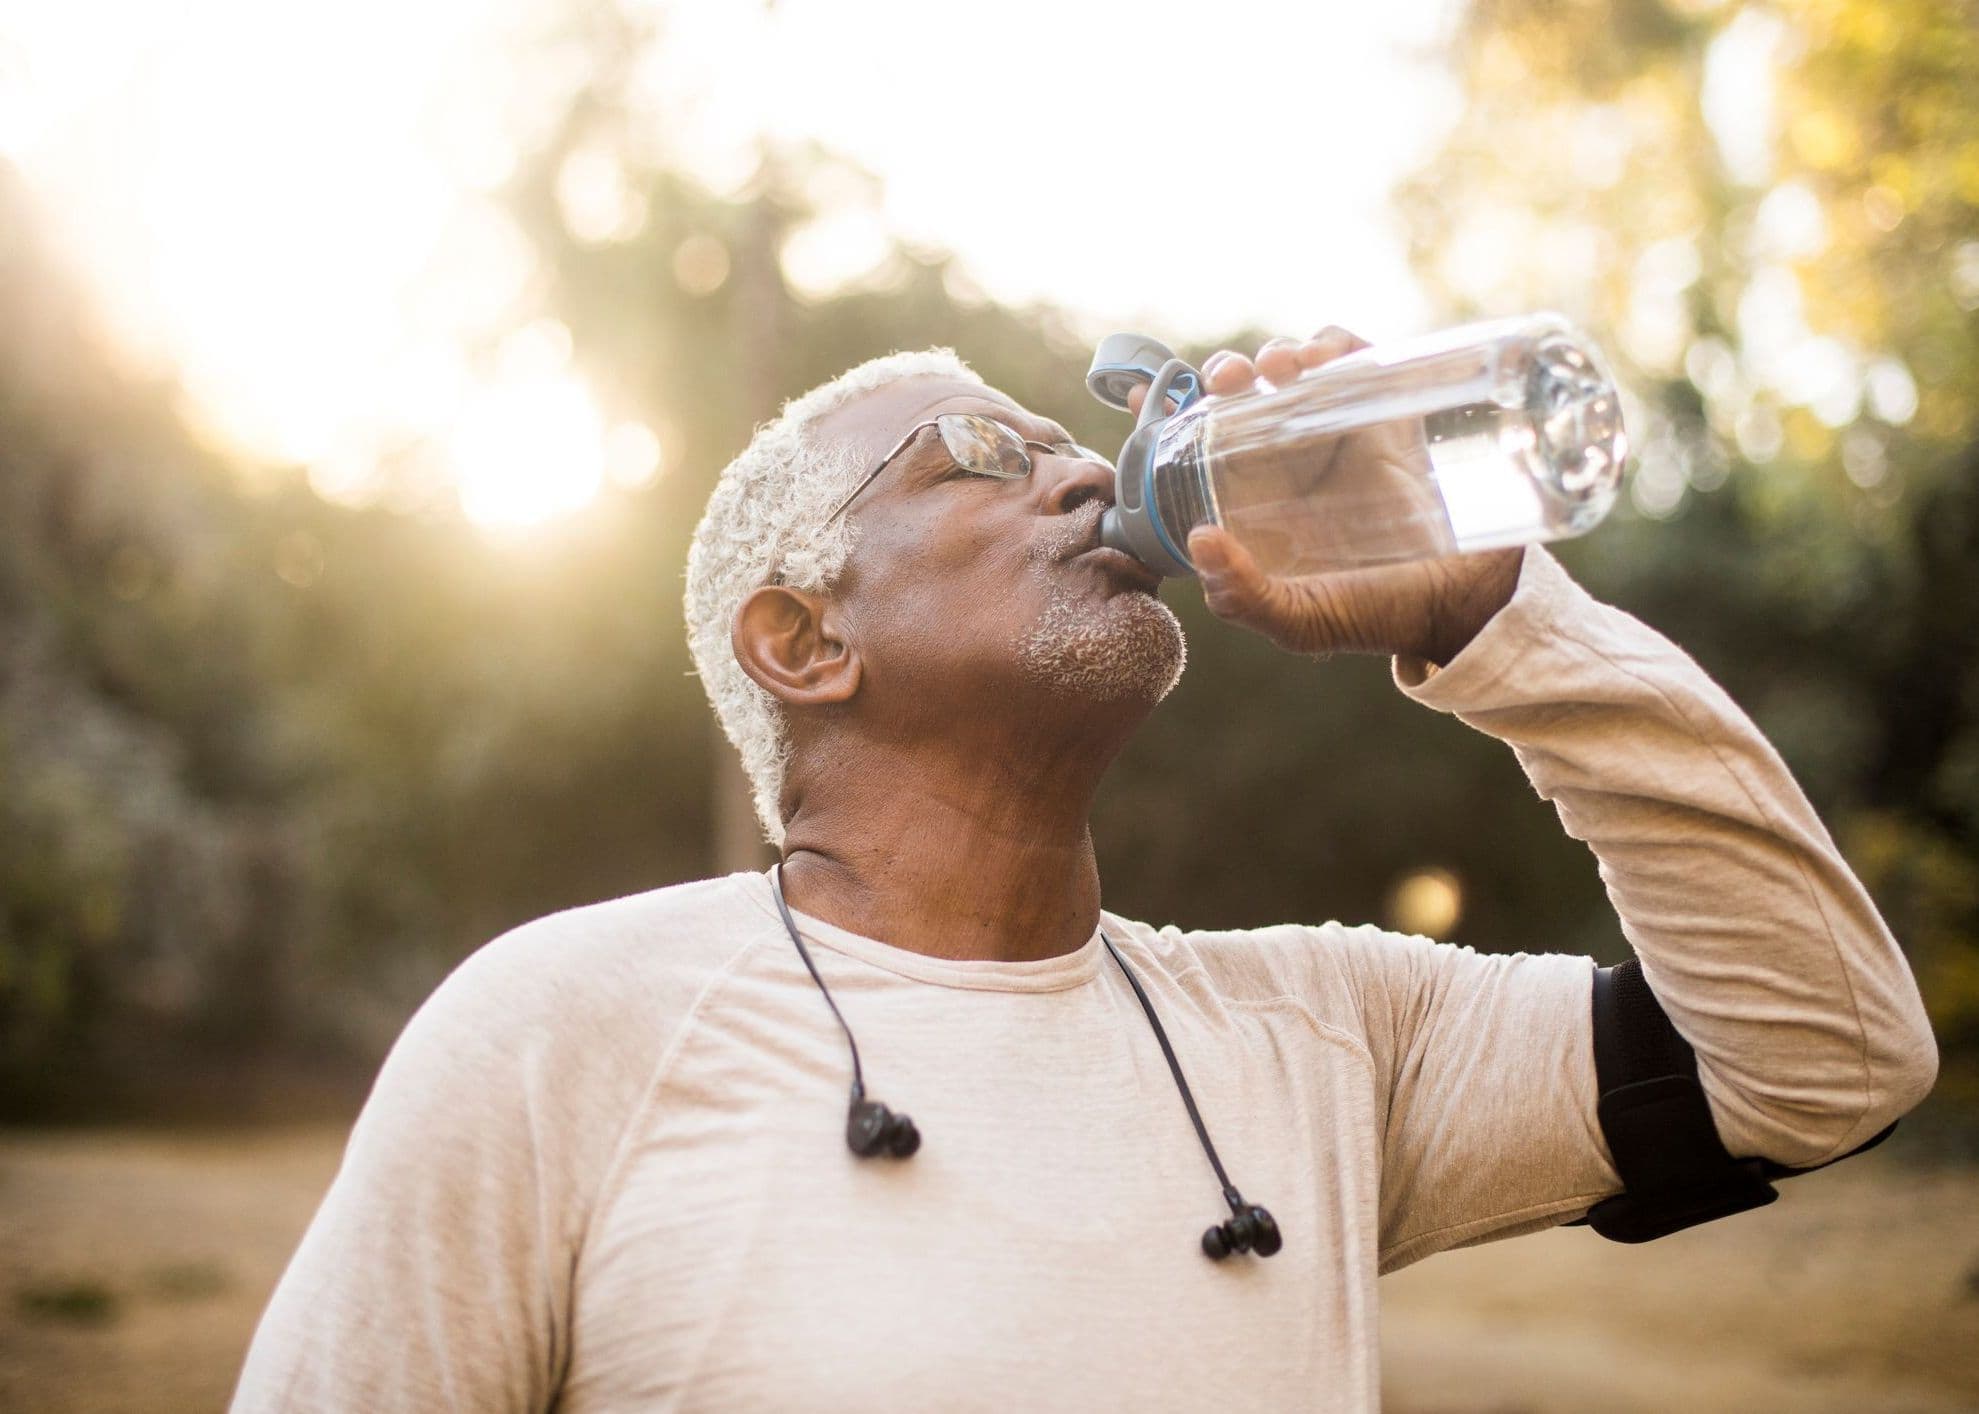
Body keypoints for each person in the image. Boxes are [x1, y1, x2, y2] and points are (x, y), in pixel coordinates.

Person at [232, 330, 1937, 1411]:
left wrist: (1496, 621)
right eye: (975, 454)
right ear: (803, 638)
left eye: (1069, 437)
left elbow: (1829, 1056)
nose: (1070, 466)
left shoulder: (1327, 1031)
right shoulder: (560, 1027)